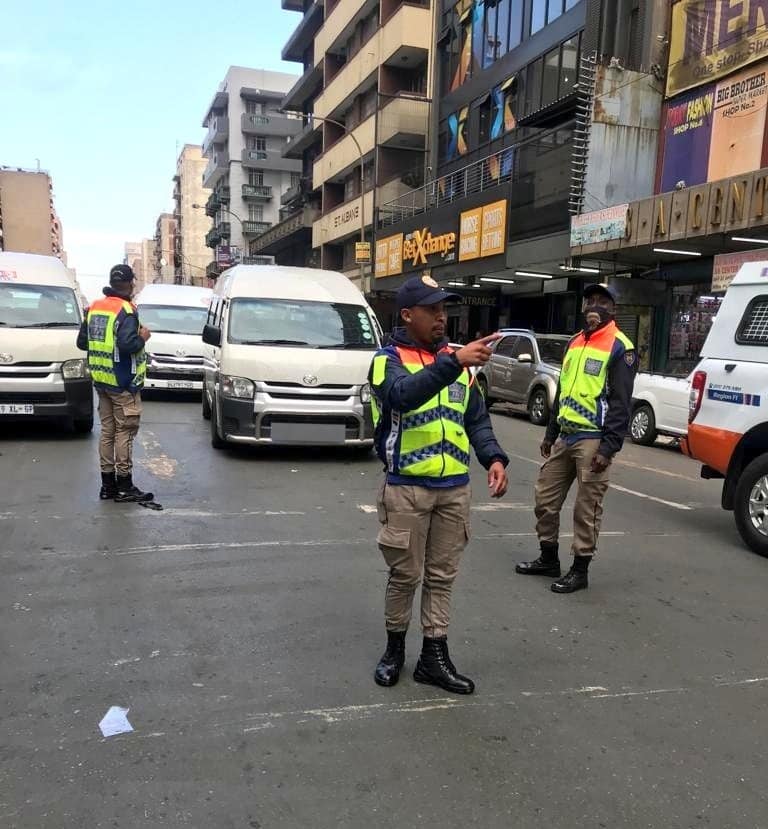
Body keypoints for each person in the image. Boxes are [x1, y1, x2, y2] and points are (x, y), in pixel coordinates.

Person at [369, 274, 510, 695]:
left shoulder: (458, 360)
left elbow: (476, 419)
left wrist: (494, 458)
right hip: (406, 488)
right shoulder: (388, 358)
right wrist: (455, 362)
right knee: (405, 574)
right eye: (432, 310)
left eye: (443, 310)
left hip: (454, 489)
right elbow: (402, 395)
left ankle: (434, 654)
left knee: (442, 576)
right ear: (408, 315)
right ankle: (395, 649)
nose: (441, 318)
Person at [515, 283, 637, 593]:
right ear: (583, 308)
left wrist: (608, 448)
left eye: (603, 301)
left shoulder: (621, 347)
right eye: (590, 301)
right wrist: (551, 432)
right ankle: (548, 558)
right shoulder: (574, 343)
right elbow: (564, 389)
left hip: (593, 440)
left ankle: (580, 569)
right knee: (545, 498)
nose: (595, 306)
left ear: (614, 309)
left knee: (587, 508)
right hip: (565, 436)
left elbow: (622, 403)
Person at [77, 264, 153, 502]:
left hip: (101, 380)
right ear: (131, 284)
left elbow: (82, 343)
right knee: (126, 432)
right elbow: (128, 345)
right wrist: (142, 338)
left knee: (108, 432)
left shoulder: (95, 308)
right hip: (123, 383)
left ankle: (107, 485)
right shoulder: (126, 311)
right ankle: (124, 485)